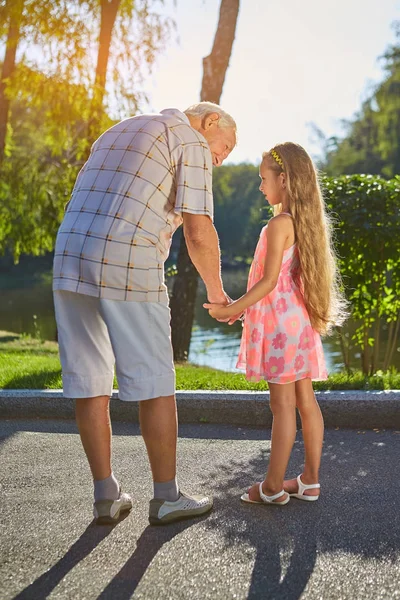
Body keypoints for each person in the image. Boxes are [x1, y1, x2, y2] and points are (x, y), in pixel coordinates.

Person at [52, 102, 236, 525]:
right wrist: (218, 293)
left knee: (89, 378)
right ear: (209, 122)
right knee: (155, 379)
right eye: (222, 150)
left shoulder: (119, 129)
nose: (218, 161)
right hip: (127, 258)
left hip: (69, 256)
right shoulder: (189, 139)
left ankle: (106, 495)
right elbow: (198, 228)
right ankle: (168, 497)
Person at [204, 143, 347, 505]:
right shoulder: (304, 223)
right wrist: (240, 309)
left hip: (280, 325)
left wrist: (229, 309)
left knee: (282, 406)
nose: (260, 186)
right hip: (297, 321)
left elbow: (267, 283)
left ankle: (271, 488)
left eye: (263, 179)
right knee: (305, 400)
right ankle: (309, 481)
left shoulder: (278, 225)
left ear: (283, 180)